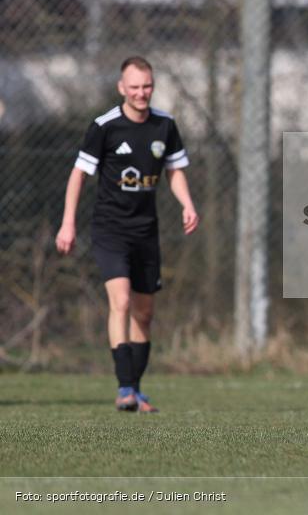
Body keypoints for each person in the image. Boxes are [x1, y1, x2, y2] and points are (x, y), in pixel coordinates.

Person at [56, 56, 199, 413]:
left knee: (144, 314)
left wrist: (187, 204)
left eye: (146, 86)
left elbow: (175, 171)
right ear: (122, 88)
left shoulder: (165, 125)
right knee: (119, 301)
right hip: (110, 229)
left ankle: (136, 389)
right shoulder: (105, 126)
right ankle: (124, 388)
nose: (141, 93)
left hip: (146, 232)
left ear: (153, 85)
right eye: (134, 87)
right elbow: (78, 175)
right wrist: (68, 222)